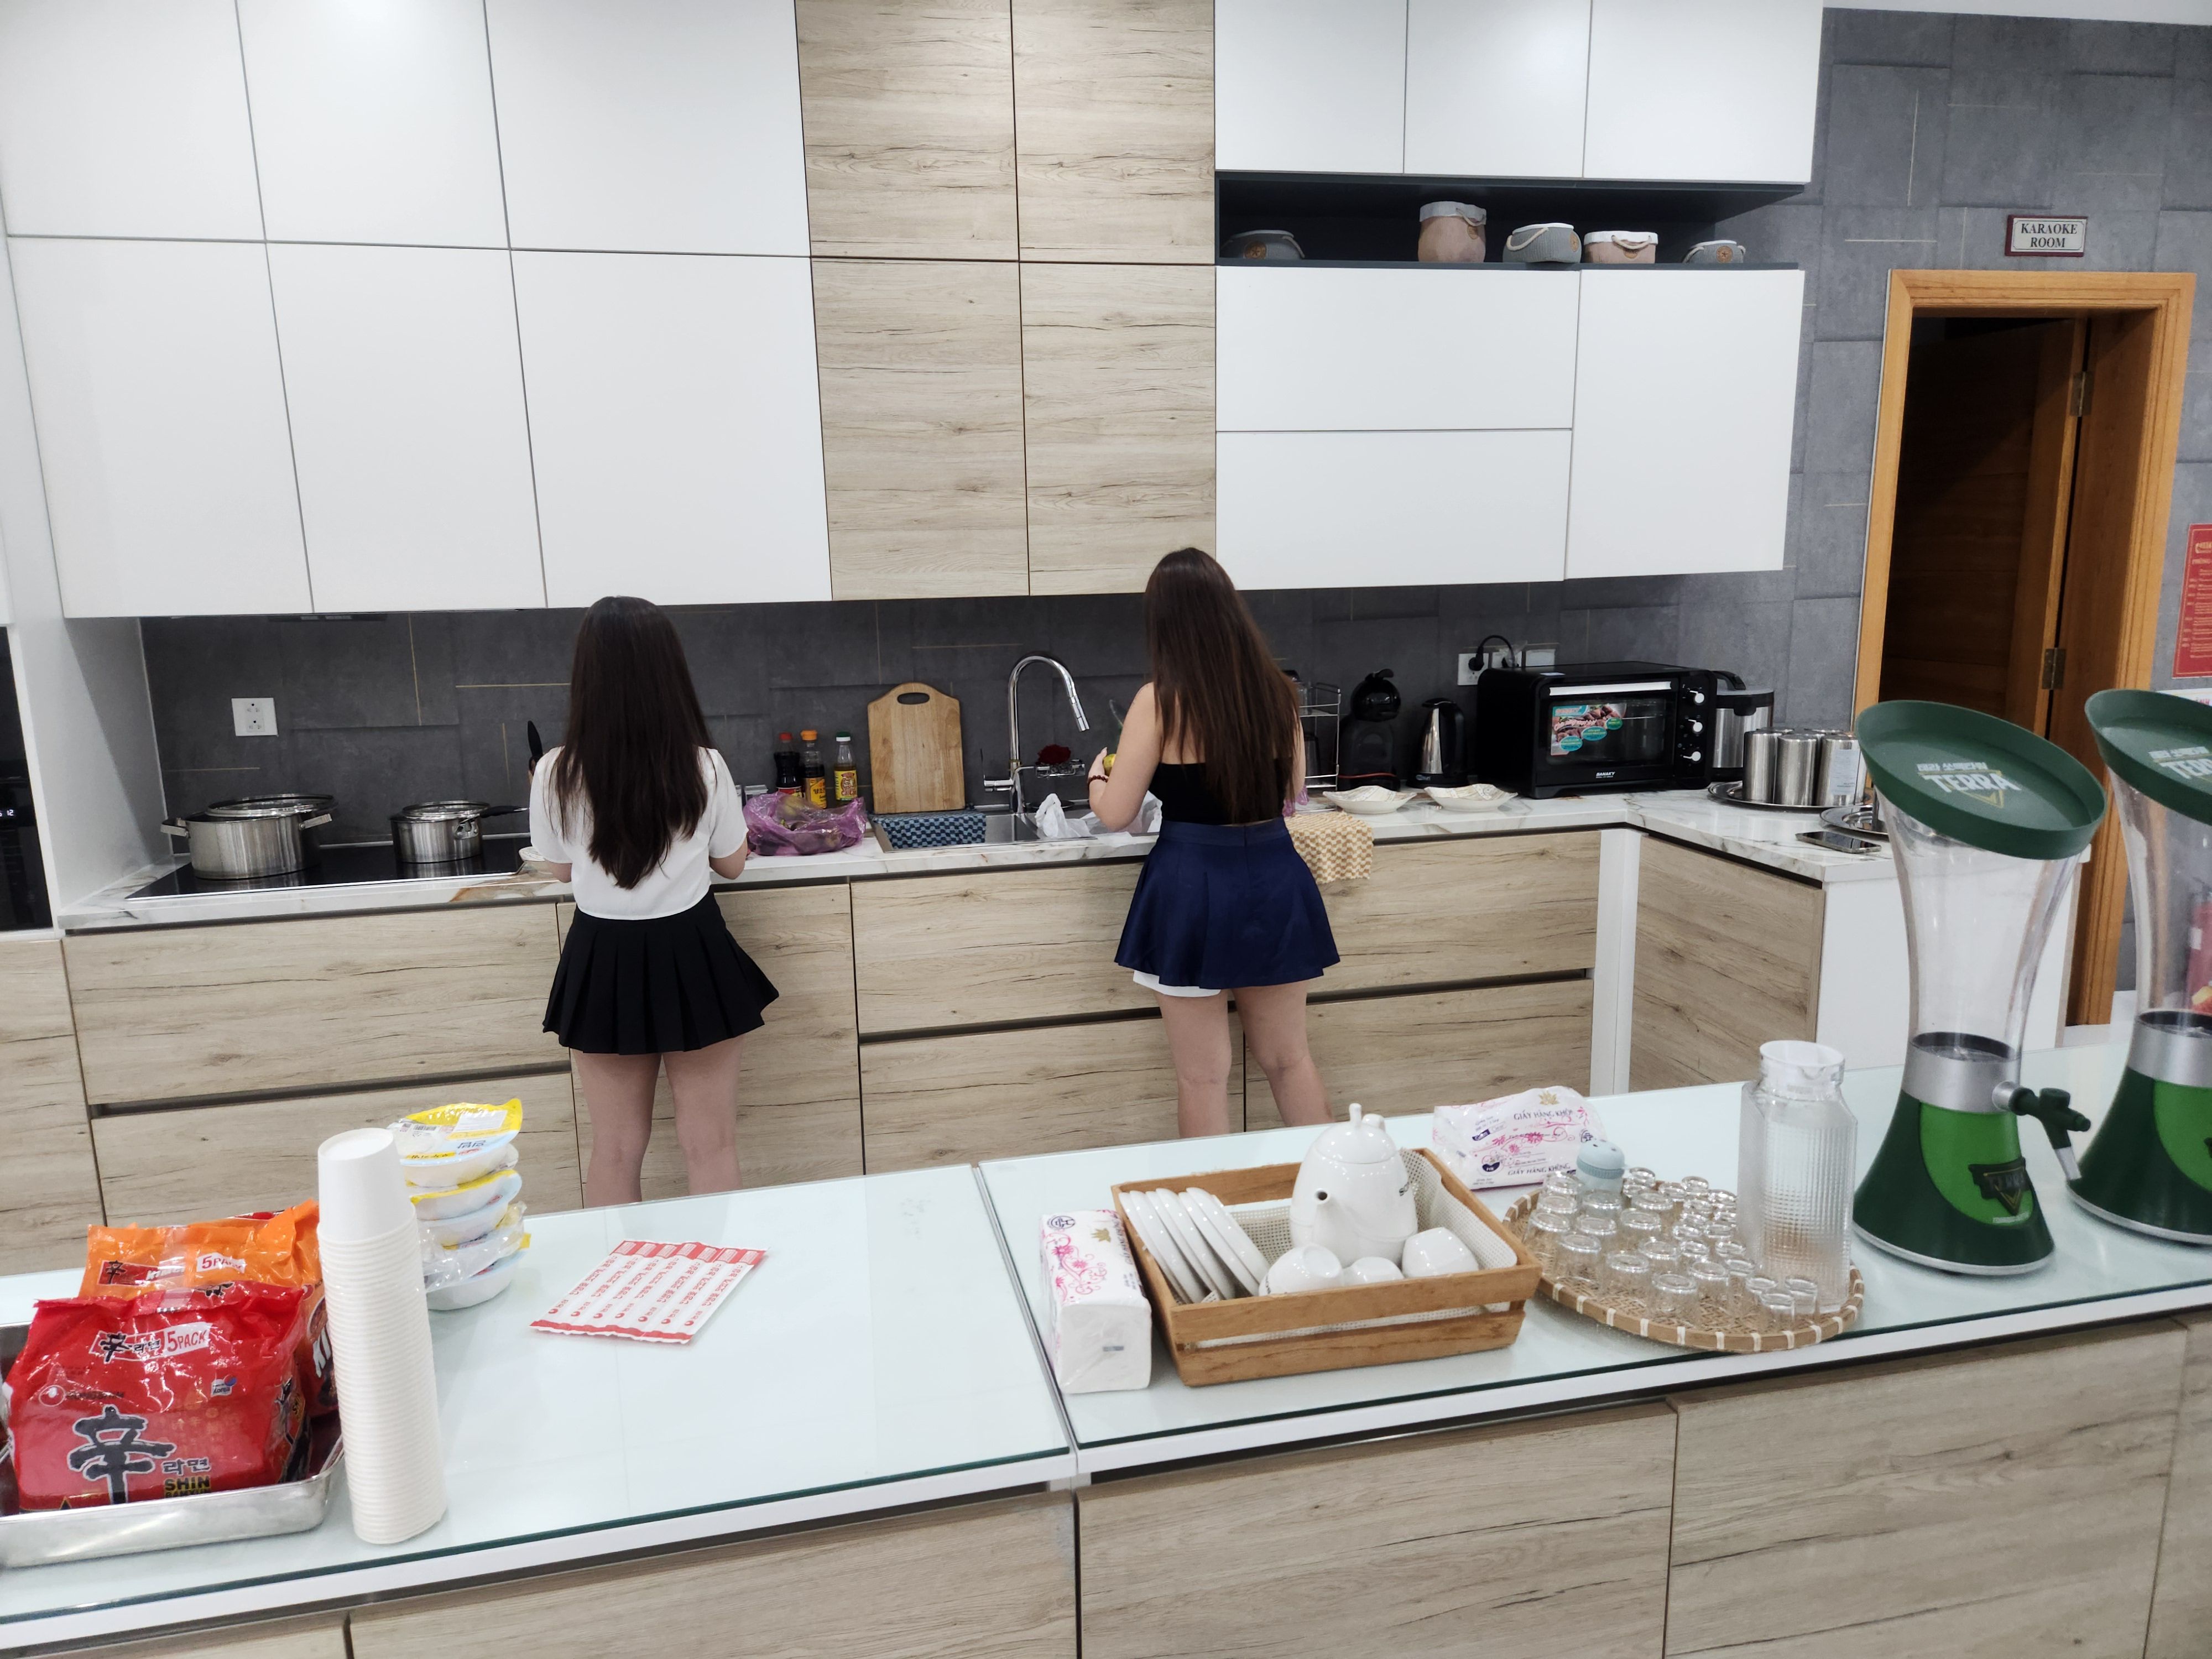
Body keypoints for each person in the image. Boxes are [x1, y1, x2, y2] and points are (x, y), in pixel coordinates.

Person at [530, 596, 778, 1205]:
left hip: (601, 957)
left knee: (615, 1148)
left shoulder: (555, 771)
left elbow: (560, 869)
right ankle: (718, 1267)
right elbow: (733, 865)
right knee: (711, 1146)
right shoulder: (705, 767)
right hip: (692, 952)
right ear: (670, 672)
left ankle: (620, 1272)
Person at [1087, 549, 1337, 1136]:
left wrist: (1098, 778)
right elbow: (1293, 792)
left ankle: (1207, 1198)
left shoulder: (1159, 701)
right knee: (1289, 1059)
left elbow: (1118, 813)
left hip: (1191, 886)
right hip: (1274, 877)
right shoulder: (1278, 692)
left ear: (1164, 623)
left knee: (1202, 1077)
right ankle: (1335, 1185)